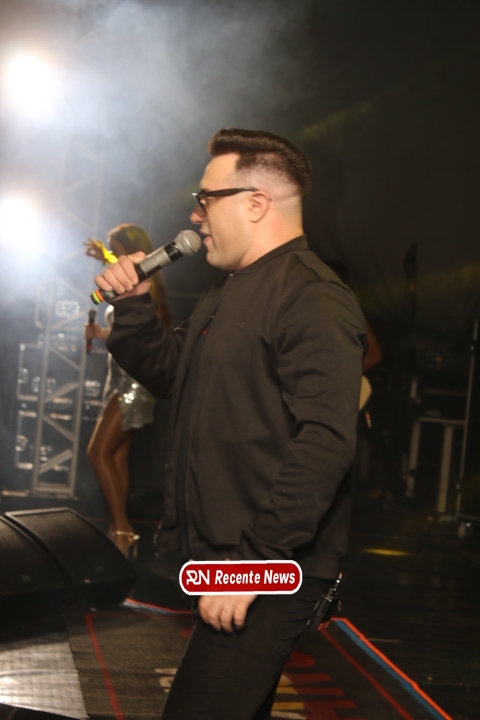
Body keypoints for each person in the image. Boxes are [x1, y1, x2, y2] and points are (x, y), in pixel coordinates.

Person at [94, 129, 367, 719]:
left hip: (268, 565)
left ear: (256, 203)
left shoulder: (313, 297)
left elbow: (325, 444)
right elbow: (171, 371)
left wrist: (251, 567)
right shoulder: (231, 289)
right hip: (232, 557)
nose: (195, 216)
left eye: (206, 199)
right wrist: (135, 304)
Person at [84, 223, 172, 556]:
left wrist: (104, 256)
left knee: (98, 453)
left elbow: (146, 328)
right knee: (117, 458)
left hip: (133, 382)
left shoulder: (145, 279)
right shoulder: (135, 278)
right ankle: (121, 532)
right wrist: (99, 334)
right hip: (122, 379)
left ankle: (122, 530)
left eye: (114, 247)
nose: (112, 254)